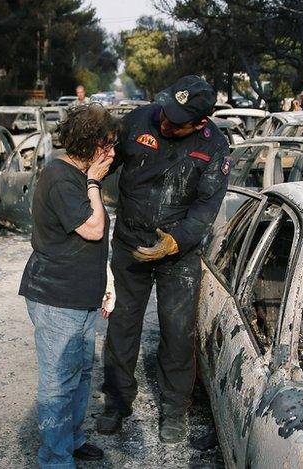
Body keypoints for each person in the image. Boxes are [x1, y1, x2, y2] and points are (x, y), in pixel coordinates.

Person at [97, 75, 230, 443]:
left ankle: (174, 410)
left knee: (177, 332)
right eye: (167, 112)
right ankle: (117, 403)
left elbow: (206, 209)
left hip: (178, 255)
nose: (166, 122)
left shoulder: (215, 146)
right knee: (122, 326)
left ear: (201, 122)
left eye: (177, 120)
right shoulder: (139, 120)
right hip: (129, 245)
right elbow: (104, 164)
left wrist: (174, 243)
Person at [19, 105, 119, 468]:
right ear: (87, 144)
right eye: (106, 145)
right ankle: (55, 459)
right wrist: (94, 182)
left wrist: (105, 280)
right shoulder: (63, 178)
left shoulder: (78, 174)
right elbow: (93, 229)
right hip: (56, 297)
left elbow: (93, 246)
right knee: (59, 382)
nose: (112, 152)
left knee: (81, 374)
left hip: (82, 296)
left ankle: (72, 441)